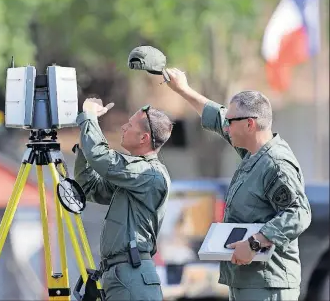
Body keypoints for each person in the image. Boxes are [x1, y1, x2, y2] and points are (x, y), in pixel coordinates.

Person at [165, 68, 312, 301]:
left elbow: (299, 213)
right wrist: (183, 89)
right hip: (248, 280)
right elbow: (217, 117)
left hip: (267, 285)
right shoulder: (253, 152)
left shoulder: (276, 163)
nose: (226, 126)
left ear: (250, 124)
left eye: (231, 122)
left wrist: (255, 243)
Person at [73, 97, 173, 301]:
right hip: (121, 274)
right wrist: (85, 149)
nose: (123, 127)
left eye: (129, 125)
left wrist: (90, 118)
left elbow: (102, 158)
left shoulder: (149, 173)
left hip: (131, 275)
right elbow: (89, 187)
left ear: (144, 138)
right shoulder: (135, 175)